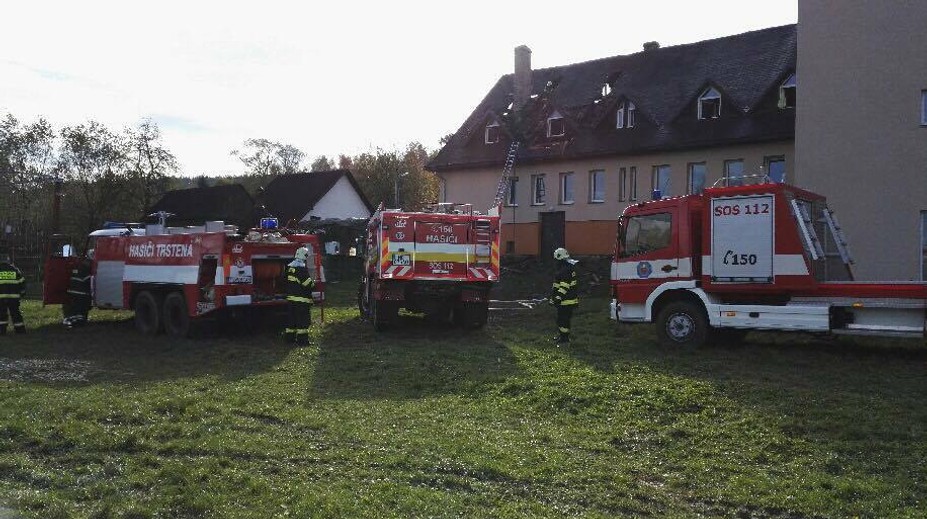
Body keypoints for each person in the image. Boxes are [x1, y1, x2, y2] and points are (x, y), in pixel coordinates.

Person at [285, 246, 316, 344]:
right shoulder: (301, 269)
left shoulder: (289, 268)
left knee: (291, 321)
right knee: (302, 322)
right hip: (301, 301)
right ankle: (303, 341)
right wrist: (313, 283)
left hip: (291, 300)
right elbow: (308, 284)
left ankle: (290, 339)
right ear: (304, 257)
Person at [549, 247, 579, 345]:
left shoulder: (565, 270)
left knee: (563, 320)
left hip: (567, 301)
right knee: (561, 319)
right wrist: (553, 298)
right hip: (565, 300)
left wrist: (557, 298)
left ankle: (564, 339)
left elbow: (564, 286)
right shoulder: (565, 268)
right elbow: (557, 285)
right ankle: (562, 335)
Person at [64, 253, 93, 329]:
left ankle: (73, 321)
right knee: (82, 309)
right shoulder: (85, 269)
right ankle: (80, 321)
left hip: (72, 293)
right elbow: (88, 281)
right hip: (82, 294)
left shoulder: (76, 268)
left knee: (74, 309)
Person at [0, 256, 26, 335]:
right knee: (16, 314)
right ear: (8, 261)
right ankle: (20, 331)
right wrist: (22, 292)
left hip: (1, 297)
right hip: (14, 298)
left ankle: (1, 331)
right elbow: (22, 282)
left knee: (1, 314)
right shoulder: (15, 269)